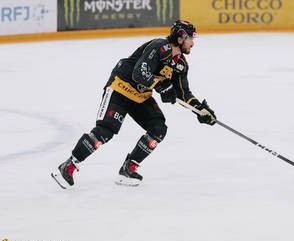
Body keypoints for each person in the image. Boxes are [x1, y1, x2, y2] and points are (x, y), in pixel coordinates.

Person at [51, 20, 216, 188]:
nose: (193, 43)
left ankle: (128, 168)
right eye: (191, 38)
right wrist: (160, 85)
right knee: (105, 132)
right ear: (181, 38)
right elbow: (139, 73)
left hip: (141, 96)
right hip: (121, 87)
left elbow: (183, 93)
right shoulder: (160, 47)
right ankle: (69, 165)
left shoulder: (180, 65)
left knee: (158, 129)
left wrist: (200, 110)